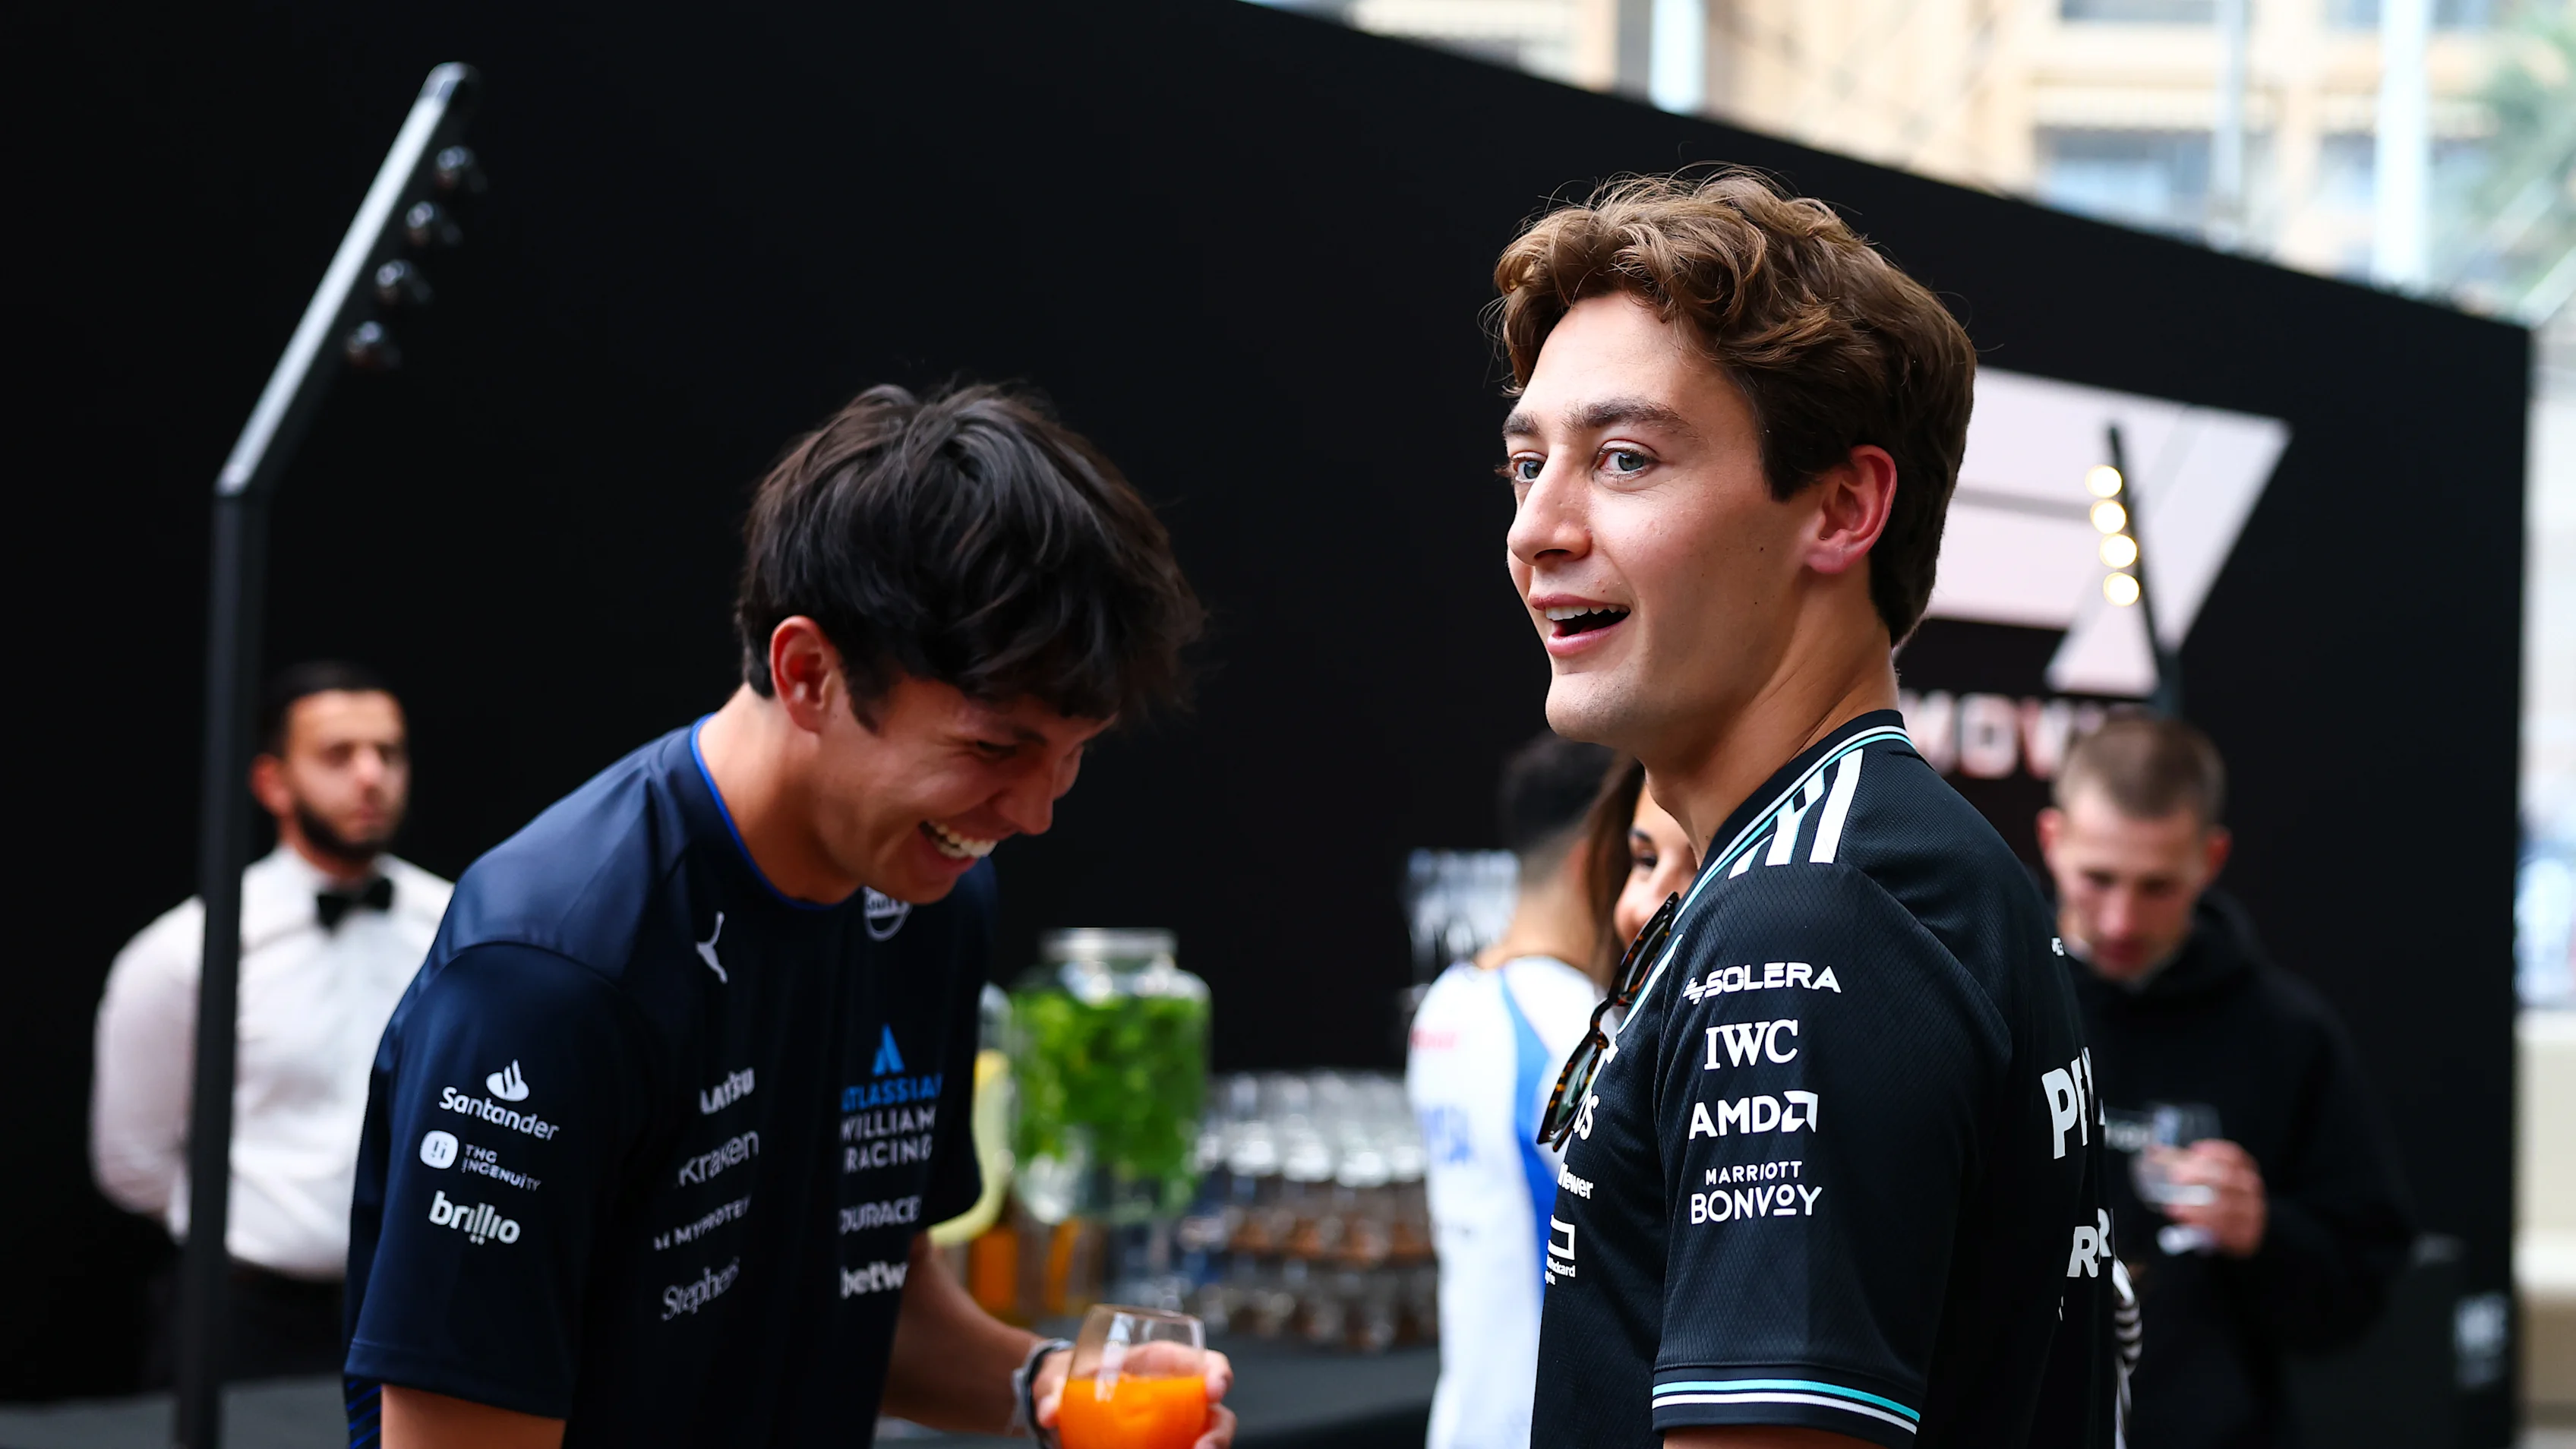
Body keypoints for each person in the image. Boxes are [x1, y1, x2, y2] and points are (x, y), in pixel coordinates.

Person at [339, 384, 1233, 1448]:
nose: (1034, 813)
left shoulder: (930, 898)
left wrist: (1055, 1389)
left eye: (1074, 755)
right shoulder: (554, 974)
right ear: (807, 672)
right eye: (996, 750)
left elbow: (869, 1310)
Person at [1496, 172, 2123, 1447]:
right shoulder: (1872, 862)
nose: (1537, 527)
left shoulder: (1809, 914)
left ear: (1841, 507)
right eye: (1525, 461)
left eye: (1622, 458)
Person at [2038, 713, 2412, 1448]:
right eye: (2097, 878)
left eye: (2156, 886)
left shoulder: (2284, 1032)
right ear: (2051, 840)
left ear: (2209, 859)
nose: (2118, 918)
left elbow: (2360, 1287)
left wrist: (2263, 1230)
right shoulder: (1980, 991)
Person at [92, 661, 452, 1382]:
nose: (370, 777)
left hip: (418, 1307)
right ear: (271, 783)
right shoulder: (189, 950)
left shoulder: (455, 923)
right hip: (245, 1322)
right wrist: (267, 1228)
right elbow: (132, 1161)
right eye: (337, 755)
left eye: (388, 752)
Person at [1409, 733, 1617, 1449]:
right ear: (1596, 860)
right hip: (1544, 1422)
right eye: (1645, 854)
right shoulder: (1572, 1028)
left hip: (1467, 1416)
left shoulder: (1447, 1001)